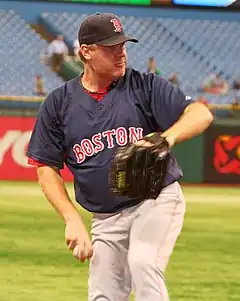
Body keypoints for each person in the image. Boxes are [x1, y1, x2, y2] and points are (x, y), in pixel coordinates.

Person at [26, 13, 213, 301]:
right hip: (105, 215)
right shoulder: (59, 103)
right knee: (103, 295)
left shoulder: (145, 86)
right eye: (110, 48)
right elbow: (45, 167)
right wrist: (71, 218)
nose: (120, 54)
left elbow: (201, 113)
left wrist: (166, 138)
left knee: (143, 262)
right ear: (85, 52)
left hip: (155, 199)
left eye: (122, 46)